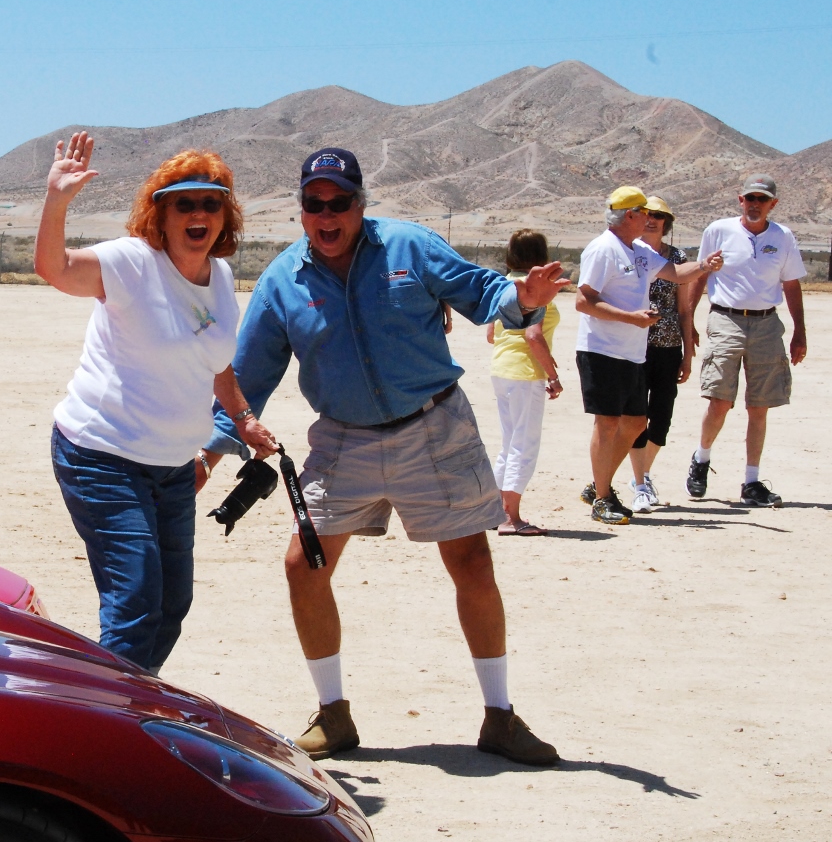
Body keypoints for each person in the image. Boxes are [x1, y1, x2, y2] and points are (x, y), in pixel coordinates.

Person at [203, 147, 567, 767]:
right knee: (303, 566)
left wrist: (524, 300)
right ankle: (333, 716)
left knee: (472, 563)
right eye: (314, 204)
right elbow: (249, 372)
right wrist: (213, 450)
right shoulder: (283, 280)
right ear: (301, 212)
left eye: (339, 202)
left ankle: (500, 718)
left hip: (436, 426)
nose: (327, 214)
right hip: (343, 439)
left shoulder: (409, 247)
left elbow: (481, 292)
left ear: (359, 205)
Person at [35, 131, 277, 673]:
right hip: (101, 457)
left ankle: (132, 705)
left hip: (173, 469)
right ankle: (103, 728)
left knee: (171, 606)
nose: (199, 213)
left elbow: (216, 362)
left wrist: (243, 419)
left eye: (210, 204)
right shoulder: (130, 263)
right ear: (160, 215)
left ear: (225, 216)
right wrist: (57, 200)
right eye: (183, 203)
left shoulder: (219, 276)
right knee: (136, 599)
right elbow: (55, 269)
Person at [575, 186, 723, 525]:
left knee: (635, 423)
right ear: (630, 215)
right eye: (646, 212)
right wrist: (631, 318)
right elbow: (583, 301)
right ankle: (602, 499)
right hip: (602, 350)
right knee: (608, 422)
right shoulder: (603, 250)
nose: (651, 218)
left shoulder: (640, 250)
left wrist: (704, 265)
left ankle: (601, 486)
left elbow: (674, 274)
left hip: (633, 352)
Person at [685, 173, 806, 507]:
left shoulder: (783, 237)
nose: (755, 205)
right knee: (719, 400)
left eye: (762, 200)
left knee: (760, 405)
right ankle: (702, 459)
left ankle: (752, 482)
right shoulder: (718, 231)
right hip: (726, 318)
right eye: (749, 198)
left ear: (772, 204)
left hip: (767, 324)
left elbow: (792, 284)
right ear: (740, 200)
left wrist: (800, 332)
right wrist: (689, 320)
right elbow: (700, 274)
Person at [485, 230, 562, 537]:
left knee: (509, 442)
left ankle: (494, 510)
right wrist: (553, 375)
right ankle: (509, 516)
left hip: (502, 368)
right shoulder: (537, 288)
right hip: (525, 372)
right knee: (524, 445)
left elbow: (491, 333)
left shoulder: (503, 285)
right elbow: (533, 335)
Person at [626, 196, 694, 513]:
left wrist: (688, 353)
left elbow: (685, 309)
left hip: (667, 346)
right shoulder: (629, 252)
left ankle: (643, 473)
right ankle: (641, 481)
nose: (652, 219)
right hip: (633, 343)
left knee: (662, 415)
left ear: (667, 223)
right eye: (646, 214)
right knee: (635, 414)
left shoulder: (678, 259)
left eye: (659, 215)